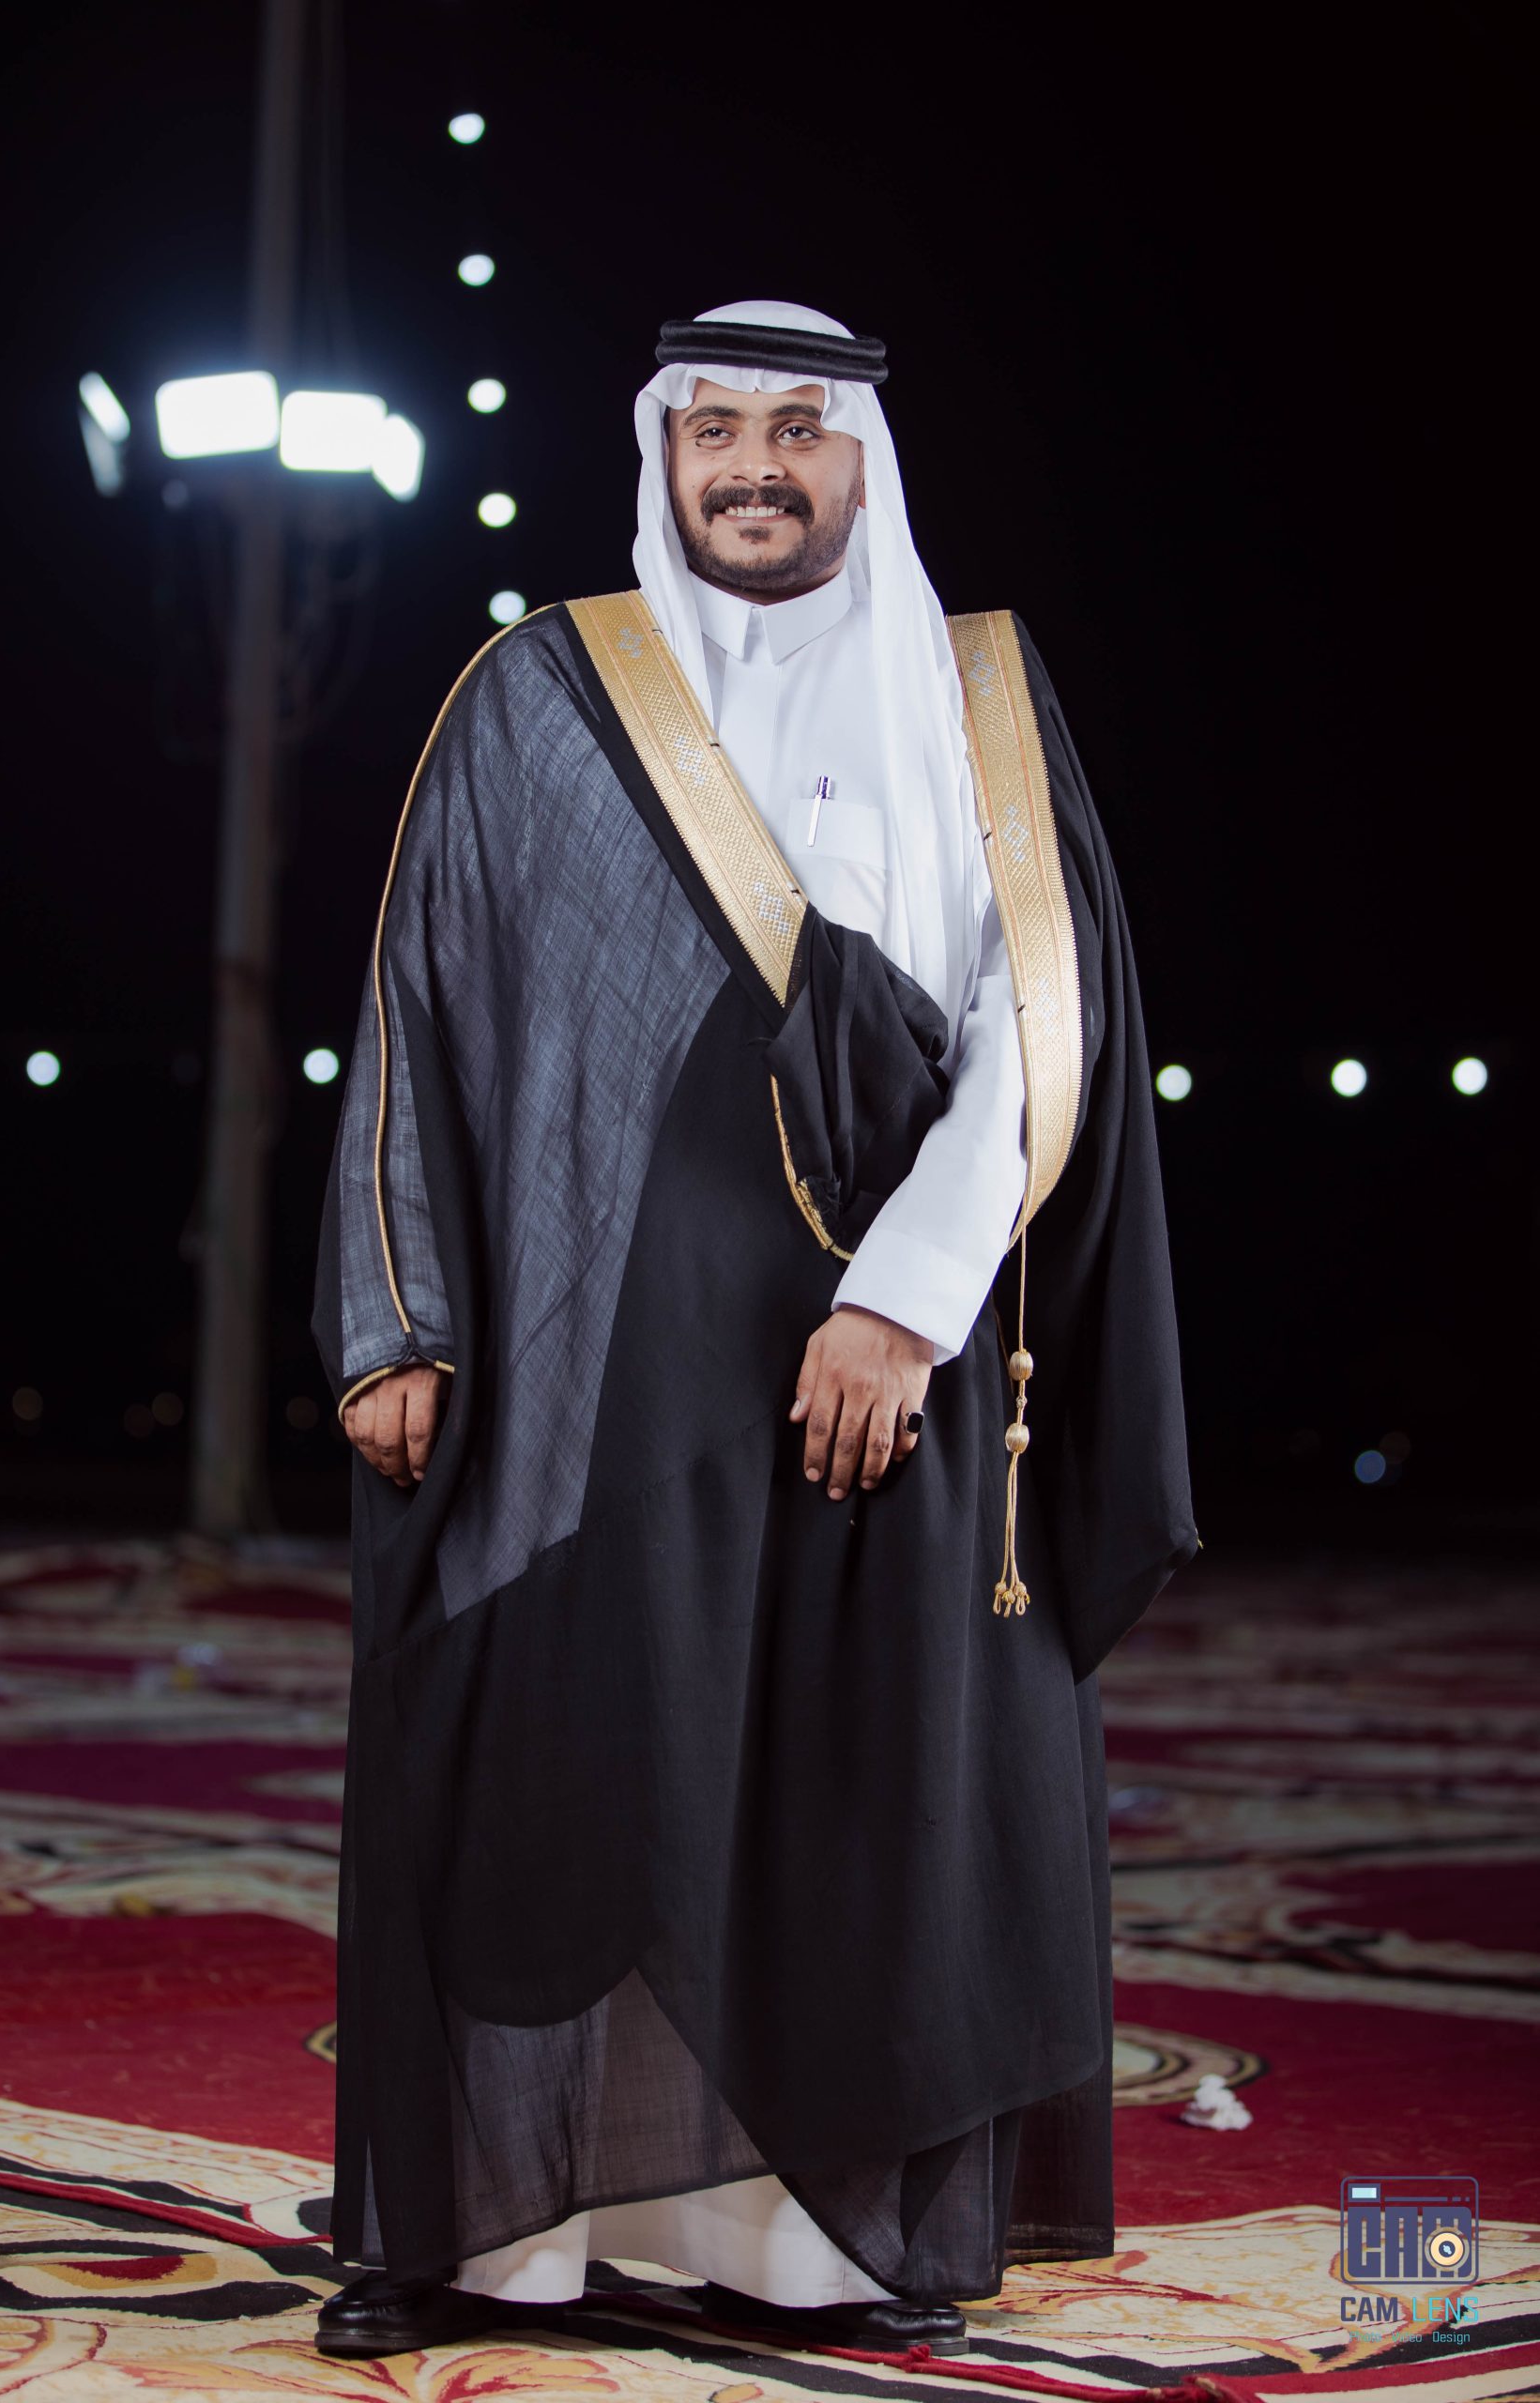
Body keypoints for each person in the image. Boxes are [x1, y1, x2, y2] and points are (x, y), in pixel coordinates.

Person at [311, 300, 1196, 2364]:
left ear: (864, 460)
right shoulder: (539, 691)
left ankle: (812, 2255)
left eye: (798, 429)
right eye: (714, 427)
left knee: (856, 1792)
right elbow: (420, 1009)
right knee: (553, 1753)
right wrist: (395, 1315)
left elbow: (1036, 1029)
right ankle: (499, 2244)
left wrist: (901, 1304)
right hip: (591, 1363)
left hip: (890, 1359)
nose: (753, 466)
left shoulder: (974, 695)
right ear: (663, 449)